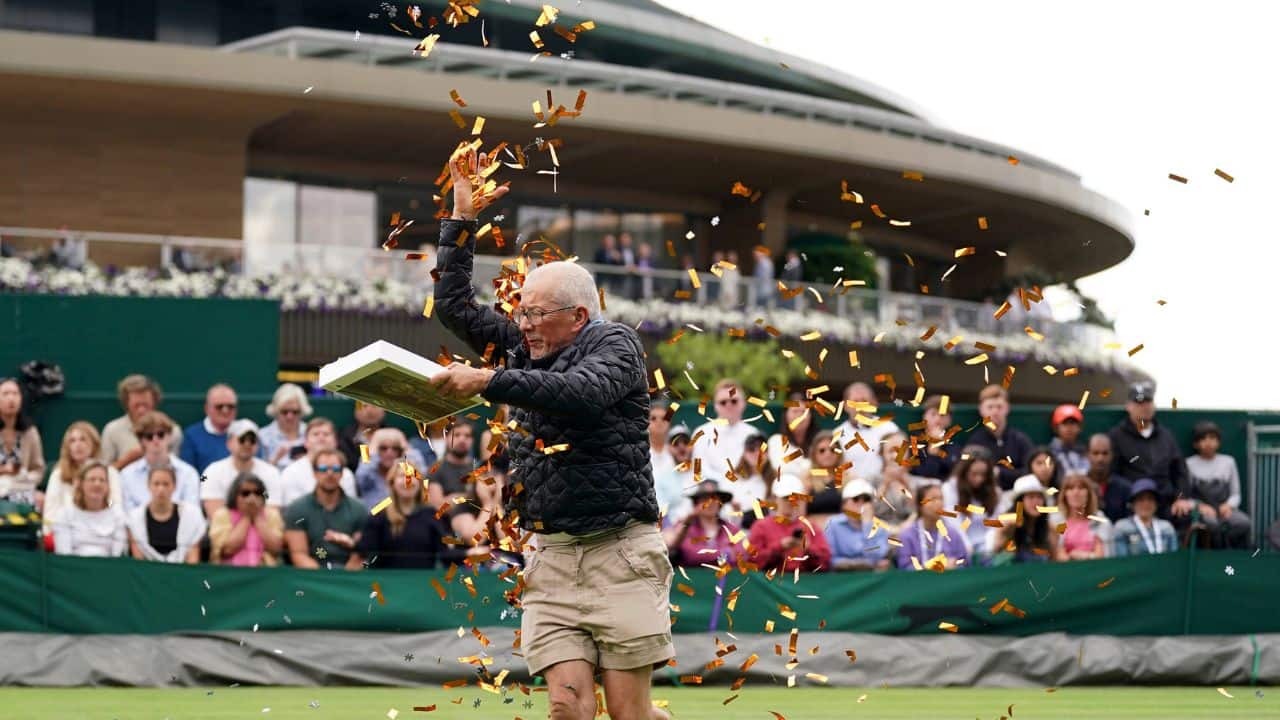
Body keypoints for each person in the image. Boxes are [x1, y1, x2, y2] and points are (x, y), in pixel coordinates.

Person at [428, 144, 670, 720]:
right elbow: (453, 306)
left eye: (536, 314)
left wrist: (487, 380)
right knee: (568, 710)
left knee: (630, 716)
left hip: (621, 555)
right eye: (521, 313)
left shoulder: (616, 346)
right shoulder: (522, 345)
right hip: (553, 557)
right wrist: (461, 220)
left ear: (578, 316)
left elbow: (579, 394)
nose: (524, 324)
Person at [349, 457, 451, 570]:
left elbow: (445, 555)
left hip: (421, 583)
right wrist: (350, 544)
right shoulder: (379, 515)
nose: (408, 480)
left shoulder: (431, 515)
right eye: (402, 476)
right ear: (392, 483)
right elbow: (364, 551)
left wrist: (468, 553)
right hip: (385, 583)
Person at [1107, 382, 1188, 522]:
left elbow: (1180, 471)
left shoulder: (1166, 436)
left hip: (1165, 505)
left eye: (1148, 401)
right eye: (1139, 402)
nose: (1144, 406)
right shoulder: (1116, 436)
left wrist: (1181, 498)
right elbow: (1112, 474)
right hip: (1131, 506)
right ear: (1129, 406)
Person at [284, 448, 367, 569]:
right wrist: (324, 580)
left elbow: (361, 554)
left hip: (350, 576)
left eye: (336, 469)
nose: (330, 473)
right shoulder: (297, 509)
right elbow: (299, 554)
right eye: (323, 469)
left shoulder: (359, 509)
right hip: (311, 576)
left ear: (342, 473)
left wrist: (344, 578)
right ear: (314, 473)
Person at [44, 422, 123, 531]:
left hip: (104, 531)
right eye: (72, 441)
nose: (78, 445)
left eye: (83, 440)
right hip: (67, 532)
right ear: (68, 447)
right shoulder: (58, 474)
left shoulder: (110, 473)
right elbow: (50, 513)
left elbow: (116, 505)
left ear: (94, 444)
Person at [1185, 421, 1251, 549]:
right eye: (1203, 439)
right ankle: (1213, 557)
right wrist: (1200, 506)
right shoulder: (1189, 464)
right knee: (1211, 524)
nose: (1208, 442)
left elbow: (1236, 494)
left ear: (1218, 441)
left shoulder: (1229, 462)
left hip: (1224, 509)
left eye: (1212, 438)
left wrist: (1229, 506)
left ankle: (1231, 555)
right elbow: (1186, 496)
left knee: (1243, 522)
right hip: (1202, 510)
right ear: (1196, 444)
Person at [119, 411, 201, 512]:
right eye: (149, 436)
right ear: (141, 440)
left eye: (161, 434)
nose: (155, 439)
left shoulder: (188, 473)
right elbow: (127, 514)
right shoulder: (127, 475)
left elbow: (192, 511)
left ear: (169, 436)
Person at [200, 419, 283, 518]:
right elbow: (215, 514)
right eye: (242, 439)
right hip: (224, 530)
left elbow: (272, 513)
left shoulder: (271, 473)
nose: (247, 444)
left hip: (261, 530)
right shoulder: (212, 472)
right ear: (229, 443)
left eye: (252, 440)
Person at [747, 474, 831, 572]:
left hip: (804, 582)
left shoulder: (811, 527)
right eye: (786, 498)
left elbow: (826, 563)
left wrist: (808, 549)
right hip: (771, 583)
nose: (791, 502)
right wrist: (780, 546)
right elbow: (752, 561)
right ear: (774, 498)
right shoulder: (761, 526)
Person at [98, 374, 182, 470]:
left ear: (155, 402)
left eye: (146, 405)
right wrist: (127, 460)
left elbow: (178, 470)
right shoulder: (112, 430)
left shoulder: (173, 431)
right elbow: (104, 473)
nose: (141, 410)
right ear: (126, 404)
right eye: (136, 405)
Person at [126, 466, 206, 563]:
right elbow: (138, 562)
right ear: (148, 485)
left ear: (174, 486)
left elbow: (193, 560)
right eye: (156, 484)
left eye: (166, 484)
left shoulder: (192, 516)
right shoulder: (134, 518)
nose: (161, 489)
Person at [50, 461, 127, 557]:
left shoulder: (117, 514)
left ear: (108, 486)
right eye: (92, 479)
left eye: (102, 480)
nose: (97, 484)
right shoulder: (64, 514)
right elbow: (64, 555)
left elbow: (118, 555)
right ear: (81, 484)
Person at [690, 379, 759, 486]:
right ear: (715, 406)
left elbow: (757, 470)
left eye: (734, 401)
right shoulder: (701, 433)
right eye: (723, 402)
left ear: (743, 403)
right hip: (713, 494)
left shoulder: (753, 434)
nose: (729, 405)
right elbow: (700, 471)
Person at [208, 472, 285, 567]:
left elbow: (276, 549)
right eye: (245, 493)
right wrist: (247, 517)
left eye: (257, 493)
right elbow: (228, 549)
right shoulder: (222, 515)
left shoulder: (272, 515)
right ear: (235, 495)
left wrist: (256, 516)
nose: (252, 498)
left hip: (265, 573)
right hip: (229, 571)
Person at [662, 479, 744, 568]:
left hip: (726, 580)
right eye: (705, 499)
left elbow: (740, 554)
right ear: (696, 503)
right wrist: (724, 553)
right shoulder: (684, 526)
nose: (710, 503)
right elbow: (690, 555)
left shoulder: (731, 529)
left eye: (714, 499)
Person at [965, 384, 1034, 490]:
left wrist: (1000, 473)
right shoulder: (975, 441)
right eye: (990, 407)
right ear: (981, 410)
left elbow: (1030, 471)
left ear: (1007, 408)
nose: (995, 411)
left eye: (999, 407)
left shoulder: (1020, 439)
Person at [278, 418, 358, 506]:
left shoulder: (346, 474)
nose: (321, 437)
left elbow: (350, 508)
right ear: (306, 442)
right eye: (315, 434)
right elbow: (292, 509)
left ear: (335, 442)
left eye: (326, 434)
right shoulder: (291, 472)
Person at [941, 451, 1002, 562]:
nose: (979, 479)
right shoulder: (950, 488)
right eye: (974, 474)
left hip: (986, 547)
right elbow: (953, 521)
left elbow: (994, 523)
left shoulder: (995, 492)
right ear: (964, 472)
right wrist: (965, 546)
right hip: (959, 547)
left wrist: (989, 548)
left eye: (983, 475)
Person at [833, 382, 900, 480]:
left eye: (864, 401)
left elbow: (901, 461)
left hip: (886, 485)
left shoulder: (889, 429)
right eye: (855, 401)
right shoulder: (836, 435)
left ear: (874, 404)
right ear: (846, 406)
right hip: (851, 489)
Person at [896, 482, 969, 571]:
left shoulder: (952, 534)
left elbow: (965, 563)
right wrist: (929, 567)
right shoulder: (907, 536)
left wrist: (955, 564)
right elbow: (904, 567)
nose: (938, 503)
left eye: (941, 498)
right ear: (920, 505)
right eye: (933, 499)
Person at [987, 475, 1059, 564]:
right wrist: (1018, 517)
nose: (1036, 502)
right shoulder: (1009, 523)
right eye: (1031, 497)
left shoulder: (1049, 528)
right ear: (1020, 502)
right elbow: (1001, 524)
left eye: (1039, 497)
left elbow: (1054, 561)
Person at [824, 478, 890, 571]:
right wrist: (861, 564)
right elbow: (830, 559)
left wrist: (867, 525)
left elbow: (877, 556)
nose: (861, 503)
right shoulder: (833, 524)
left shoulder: (881, 527)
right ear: (844, 504)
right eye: (856, 499)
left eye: (866, 499)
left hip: (871, 577)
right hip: (841, 576)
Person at [354, 427, 427, 507]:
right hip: (375, 517)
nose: (389, 453)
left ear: (400, 452)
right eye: (383, 448)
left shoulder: (404, 473)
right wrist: (374, 443)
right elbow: (362, 473)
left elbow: (421, 474)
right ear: (375, 450)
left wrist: (404, 443)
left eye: (395, 448)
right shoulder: (370, 474)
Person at [0, 377, 44, 503]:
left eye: (15, 393)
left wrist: (23, 476)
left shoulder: (30, 432)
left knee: (41, 500)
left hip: (21, 487)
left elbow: (38, 469)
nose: (11, 398)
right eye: (5, 394)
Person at [179, 383, 238, 474]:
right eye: (219, 407)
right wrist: (208, 480)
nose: (225, 410)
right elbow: (189, 474)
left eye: (230, 406)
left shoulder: (245, 432)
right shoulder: (192, 435)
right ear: (207, 408)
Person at [1050, 473, 1111, 561]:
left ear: (1088, 494)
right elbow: (1057, 554)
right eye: (1071, 488)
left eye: (1081, 488)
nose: (1076, 492)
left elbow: (1101, 555)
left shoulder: (1099, 520)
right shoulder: (1055, 521)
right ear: (1065, 494)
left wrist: (1084, 556)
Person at [1113, 479, 1179, 556]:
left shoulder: (1166, 527)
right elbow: (1122, 561)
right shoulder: (1122, 527)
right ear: (1132, 503)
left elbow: (1174, 557)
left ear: (1156, 503)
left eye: (1150, 499)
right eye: (1141, 499)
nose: (1146, 503)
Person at [872, 432, 919, 533]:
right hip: (878, 534)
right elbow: (869, 511)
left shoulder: (920, 483)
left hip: (910, 533)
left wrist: (907, 485)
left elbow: (920, 511)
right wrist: (885, 485)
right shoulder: (870, 481)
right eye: (891, 451)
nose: (896, 456)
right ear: (881, 454)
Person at [766, 391, 818, 481]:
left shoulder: (819, 443)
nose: (799, 416)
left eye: (803, 412)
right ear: (786, 415)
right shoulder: (776, 441)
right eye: (795, 411)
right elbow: (777, 469)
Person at [259, 383, 312, 469]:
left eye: (295, 412)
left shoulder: (312, 433)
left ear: (302, 411)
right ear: (276, 411)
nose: (289, 416)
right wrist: (275, 460)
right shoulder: (262, 436)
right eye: (284, 412)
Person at [728, 430, 774, 528]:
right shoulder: (732, 479)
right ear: (744, 453)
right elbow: (726, 521)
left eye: (762, 449)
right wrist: (736, 512)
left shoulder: (777, 480)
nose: (757, 453)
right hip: (740, 532)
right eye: (752, 449)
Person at [425, 421, 476, 507]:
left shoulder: (478, 468)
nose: (462, 439)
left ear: (472, 441)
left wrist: (453, 499)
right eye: (456, 435)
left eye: (467, 436)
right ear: (446, 438)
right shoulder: (435, 469)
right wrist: (468, 496)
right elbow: (438, 506)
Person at [1087, 434, 1131, 523]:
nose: (1100, 458)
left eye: (1105, 453)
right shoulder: (1079, 486)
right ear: (1087, 455)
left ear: (1112, 455)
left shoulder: (1125, 488)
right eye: (1095, 453)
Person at [653, 424, 693, 520]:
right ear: (668, 449)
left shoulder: (705, 475)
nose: (681, 446)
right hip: (672, 530)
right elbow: (661, 512)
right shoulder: (661, 478)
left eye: (685, 442)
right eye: (676, 443)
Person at [913, 395, 958, 481]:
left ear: (950, 420)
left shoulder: (953, 445)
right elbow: (925, 473)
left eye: (942, 415)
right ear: (924, 416)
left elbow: (953, 470)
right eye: (933, 414)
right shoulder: (914, 442)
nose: (938, 419)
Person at [803, 430, 845, 520]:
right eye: (822, 450)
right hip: (814, 530)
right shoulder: (806, 479)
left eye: (833, 450)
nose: (828, 454)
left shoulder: (849, 479)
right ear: (814, 454)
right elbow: (800, 514)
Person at [338, 401, 387, 473]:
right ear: (356, 411)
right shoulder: (344, 438)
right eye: (364, 406)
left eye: (375, 406)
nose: (370, 410)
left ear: (384, 411)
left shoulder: (394, 436)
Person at [1049, 404, 1090, 478]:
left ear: (1080, 427)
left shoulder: (1086, 451)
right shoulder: (1049, 453)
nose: (1069, 427)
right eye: (1065, 423)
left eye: (1073, 423)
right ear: (1055, 427)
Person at [647, 401, 674, 481]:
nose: (659, 422)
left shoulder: (677, 452)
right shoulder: (639, 453)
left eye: (664, 418)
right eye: (653, 418)